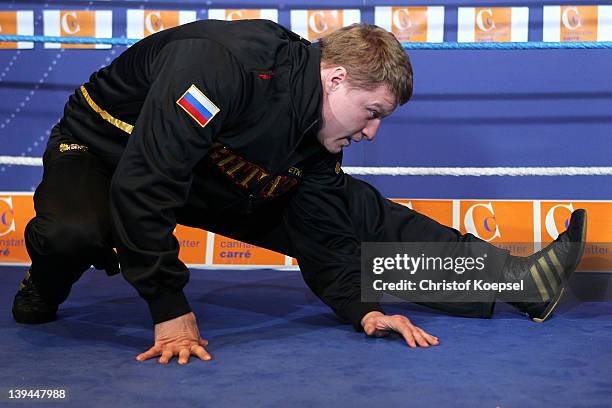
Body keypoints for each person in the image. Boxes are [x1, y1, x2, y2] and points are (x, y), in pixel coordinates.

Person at [12, 20, 586, 365]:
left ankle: (517, 281)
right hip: (104, 150)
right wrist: (169, 308)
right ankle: (45, 278)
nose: (371, 132)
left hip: (198, 161)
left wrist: (362, 310)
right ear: (336, 79)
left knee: (353, 209)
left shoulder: (311, 131)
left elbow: (320, 230)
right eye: (372, 113)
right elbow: (145, 183)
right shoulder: (222, 68)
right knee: (74, 232)